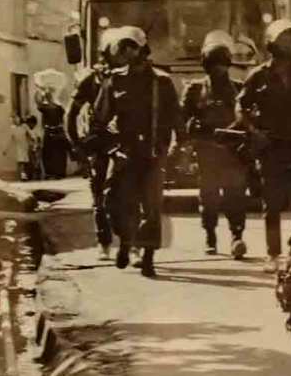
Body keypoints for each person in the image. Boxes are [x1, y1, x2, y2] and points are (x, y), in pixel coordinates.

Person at [92, 26, 182, 278]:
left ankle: (149, 256)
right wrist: (111, 148)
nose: (127, 52)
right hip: (123, 152)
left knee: (151, 207)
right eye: (123, 47)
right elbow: (99, 121)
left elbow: (177, 119)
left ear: (143, 49)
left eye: (132, 47)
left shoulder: (161, 82)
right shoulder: (115, 81)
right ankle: (126, 242)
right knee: (113, 202)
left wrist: (176, 149)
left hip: (153, 153)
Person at [235, 19, 291, 274]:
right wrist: (253, 131)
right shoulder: (258, 76)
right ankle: (273, 254)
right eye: (283, 39)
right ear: (272, 43)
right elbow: (241, 106)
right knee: (272, 204)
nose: (288, 44)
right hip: (271, 149)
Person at [181, 30, 248, 259]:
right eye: (213, 64)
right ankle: (210, 234)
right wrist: (191, 136)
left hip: (233, 153)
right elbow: (182, 118)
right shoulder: (195, 90)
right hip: (207, 151)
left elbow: (249, 117)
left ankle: (237, 235)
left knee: (236, 195)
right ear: (206, 65)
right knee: (209, 197)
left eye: (222, 64)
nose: (218, 70)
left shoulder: (238, 88)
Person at [66, 27, 125, 260]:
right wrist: (76, 143)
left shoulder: (131, 78)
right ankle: (104, 241)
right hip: (99, 141)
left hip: (125, 141)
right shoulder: (91, 79)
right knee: (99, 194)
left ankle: (131, 242)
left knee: (126, 194)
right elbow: (71, 113)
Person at [35, 87, 69, 179]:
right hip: (58, 131)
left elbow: (38, 104)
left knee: (48, 153)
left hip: (50, 131)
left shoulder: (46, 108)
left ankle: (50, 173)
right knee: (59, 153)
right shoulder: (59, 107)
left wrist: (40, 92)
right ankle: (60, 173)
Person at [7, 115, 33, 181]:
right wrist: (6, 150)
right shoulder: (12, 128)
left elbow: (30, 134)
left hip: (25, 146)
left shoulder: (24, 126)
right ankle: (22, 176)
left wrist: (32, 140)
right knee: (21, 163)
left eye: (17, 118)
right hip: (18, 147)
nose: (16, 120)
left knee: (26, 162)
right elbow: (11, 140)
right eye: (14, 119)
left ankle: (27, 175)